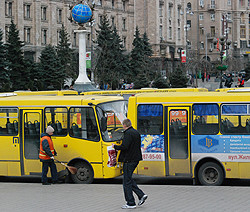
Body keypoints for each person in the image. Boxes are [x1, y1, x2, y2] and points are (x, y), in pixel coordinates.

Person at [112, 119, 147, 209]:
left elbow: (125, 146)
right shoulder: (136, 132)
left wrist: (115, 147)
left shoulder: (128, 133)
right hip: (135, 159)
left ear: (124, 125)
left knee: (126, 182)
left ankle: (130, 203)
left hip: (129, 160)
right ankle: (141, 195)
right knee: (128, 179)